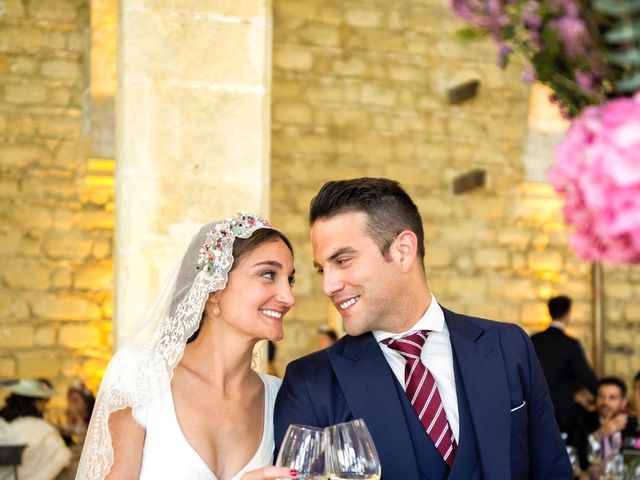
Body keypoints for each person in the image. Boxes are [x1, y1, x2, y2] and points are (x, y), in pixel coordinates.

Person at [274, 178, 571, 479]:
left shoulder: (508, 346)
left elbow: (553, 472)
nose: (328, 285)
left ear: (403, 251)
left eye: (343, 260)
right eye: (322, 269)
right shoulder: (310, 384)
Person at [77, 213, 297, 480]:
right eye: (268, 274)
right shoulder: (140, 377)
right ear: (214, 290)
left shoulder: (280, 397)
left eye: (290, 280)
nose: (288, 297)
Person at [531, 295, 598, 436]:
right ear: (568, 314)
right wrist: (599, 396)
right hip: (563, 410)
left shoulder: (534, 340)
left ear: (549, 312)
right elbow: (586, 376)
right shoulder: (570, 344)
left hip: (534, 408)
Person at [0, 378, 71, 480]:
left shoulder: (2, 422)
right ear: (35, 402)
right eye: (45, 402)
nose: (45, 407)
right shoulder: (42, 430)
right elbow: (63, 460)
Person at [578, 377, 639, 471]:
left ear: (623, 402)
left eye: (612, 398)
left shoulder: (632, 423)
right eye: (601, 396)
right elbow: (579, 459)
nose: (605, 402)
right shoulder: (583, 420)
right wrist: (600, 433)